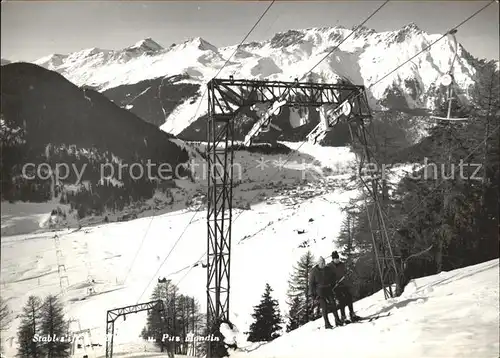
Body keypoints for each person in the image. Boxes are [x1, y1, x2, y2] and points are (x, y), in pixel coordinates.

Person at [308, 256, 343, 328]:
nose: (323, 264)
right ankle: (327, 324)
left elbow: (333, 277)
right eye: (321, 263)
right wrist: (312, 294)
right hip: (319, 291)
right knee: (324, 307)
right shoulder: (314, 271)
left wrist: (334, 284)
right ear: (318, 263)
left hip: (328, 289)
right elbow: (311, 284)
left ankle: (337, 320)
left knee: (333, 304)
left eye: (324, 263)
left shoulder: (328, 269)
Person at [329, 251, 361, 323]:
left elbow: (345, 272)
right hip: (336, 286)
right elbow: (328, 276)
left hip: (343, 284)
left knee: (349, 297)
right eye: (335, 258)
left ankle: (352, 314)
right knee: (341, 301)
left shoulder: (342, 265)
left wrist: (347, 275)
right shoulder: (330, 266)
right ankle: (343, 316)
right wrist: (333, 282)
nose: (337, 260)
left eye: (338, 258)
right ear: (333, 259)